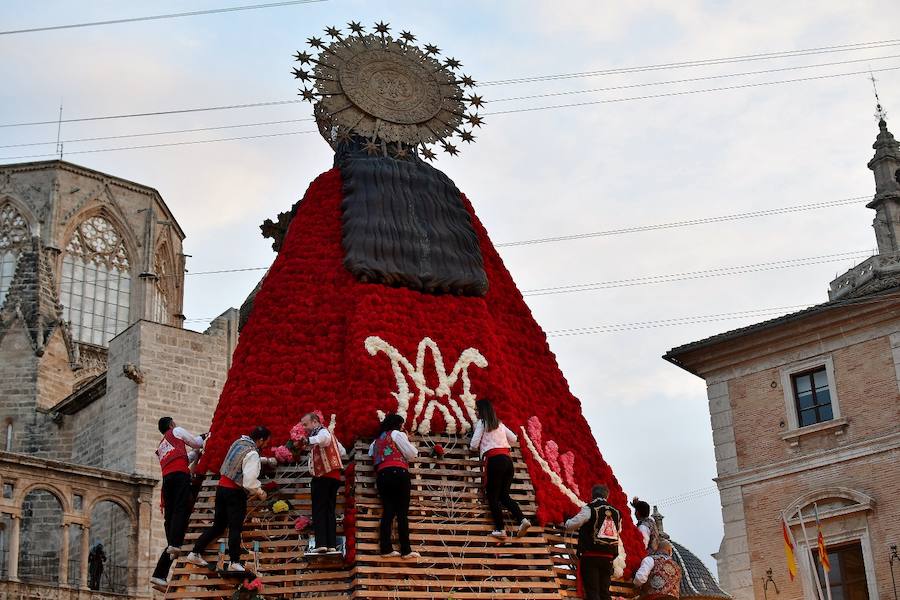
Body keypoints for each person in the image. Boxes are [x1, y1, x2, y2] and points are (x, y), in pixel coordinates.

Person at [187, 426, 273, 572]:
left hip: (221, 489)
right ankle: (234, 561)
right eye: (266, 442)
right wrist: (259, 491)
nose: (266, 445)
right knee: (235, 527)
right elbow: (249, 481)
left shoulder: (238, 442)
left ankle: (195, 552)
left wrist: (262, 460)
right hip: (235, 492)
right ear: (260, 440)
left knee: (218, 526)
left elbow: (240, 460)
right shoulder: (252, 453)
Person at [151, 417, 206, 587]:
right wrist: (204, 437)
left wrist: (195, 455)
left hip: (168, 481)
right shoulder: (176, 431)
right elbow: (195, 443)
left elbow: (183, 458)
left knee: (172, 514)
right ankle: (174, 544)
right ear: (171, 424)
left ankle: (160, 573)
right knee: (181, 509)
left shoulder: (162, 446)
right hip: (180, 477)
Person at [469, 399, 531, 539]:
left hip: (495, 461)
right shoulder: (500, 424)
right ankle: (522, 519)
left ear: (482, 411)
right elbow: (514, 439)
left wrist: (479, 444)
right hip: (508, 461)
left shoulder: (482, 423)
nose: (475, 412)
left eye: (477, 410)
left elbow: (473, 445)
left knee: (492, 496)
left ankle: (500, 529)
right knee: (504, 495)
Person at [368, 413, 419, 559]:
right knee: (402, 513)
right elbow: (412, 453)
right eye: (402, 424)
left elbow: (372, 454)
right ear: (398, 424)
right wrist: (407, 439)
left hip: (382, 476)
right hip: (398, 473)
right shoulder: (397, 434)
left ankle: (386, 548)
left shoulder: (376, 441)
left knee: (388, 512)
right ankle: (406, 550)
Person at [564, 483, 626, 600]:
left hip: (591, 556)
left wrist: (566, 521)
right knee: (604, 593)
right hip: (608, 557)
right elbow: (618, 531)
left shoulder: (590, 508)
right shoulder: (617, 513)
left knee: (593, 593)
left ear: (592, 495)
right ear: (607, 496)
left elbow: (571, 525)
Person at [301, 412, 347, 553]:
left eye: (305, 424)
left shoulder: (322, 432)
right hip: (333, 477)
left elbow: (324, 438)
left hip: (323, 476)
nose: (304, 428)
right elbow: (342, 451)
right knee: (329, 511)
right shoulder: (329, 436)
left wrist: (308, 441)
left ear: (315, 422)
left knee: (319, 510)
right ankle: (331, 544)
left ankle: (321, 543)